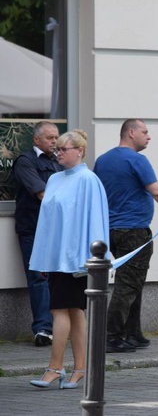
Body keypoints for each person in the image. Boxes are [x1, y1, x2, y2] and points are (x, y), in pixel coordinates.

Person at [94, 119, 158, 353]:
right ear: (131, 133)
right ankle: (111, 336)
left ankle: (133, 333)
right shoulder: (137, 160)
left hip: (110, 231)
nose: (149, 137)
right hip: (134, 232)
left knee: (132, 282)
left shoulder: (102, 161)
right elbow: (157, 191)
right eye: (145, 132)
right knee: (127, 285)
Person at [28, 129, 109, 389]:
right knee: (73, 312)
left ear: (80, 151)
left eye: (64, 149)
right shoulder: (54, 179)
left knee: (62, 310)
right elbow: (47, 223)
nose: (58, 152)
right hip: (57, 256)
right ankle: (80, 368)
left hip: (76, 257)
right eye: (58, 149)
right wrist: (43, 257)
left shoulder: (88, 180)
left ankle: (56, 367)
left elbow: (96, 220)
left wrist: (94, 258)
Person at [13, 121, 63, 346]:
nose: (55, 141)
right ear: (36, 140)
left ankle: (60, 326)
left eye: (57, 137)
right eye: (50, 138)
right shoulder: (25, 161)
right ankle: (43, 329)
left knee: (59, 277)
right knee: (38, 278)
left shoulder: (59, 161)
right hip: (33, 229)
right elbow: (42, 193)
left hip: (57, 229)